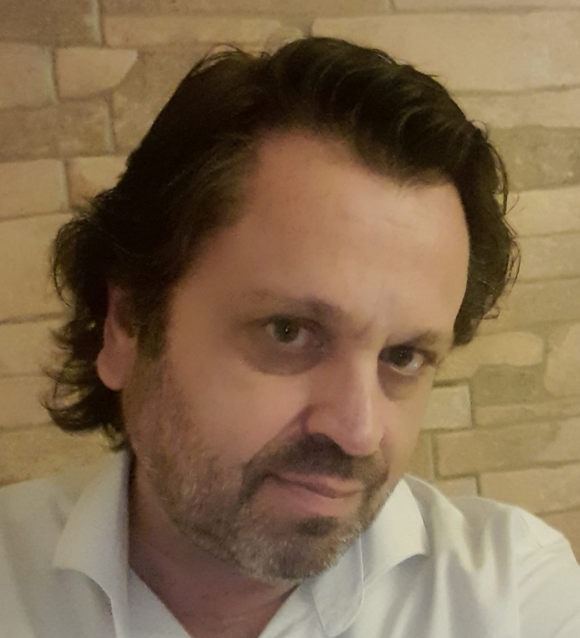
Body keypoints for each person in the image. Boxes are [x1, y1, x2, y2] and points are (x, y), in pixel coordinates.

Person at [1, 36, 579, 638]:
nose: (357, 431)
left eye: (403, 356)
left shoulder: (514, 596)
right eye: (289, 332)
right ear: (125, 324)